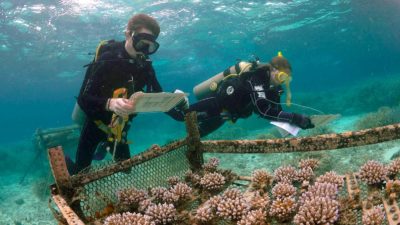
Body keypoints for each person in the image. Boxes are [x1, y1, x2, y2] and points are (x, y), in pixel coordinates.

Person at [67, 14, 186, 175]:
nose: (144, 52)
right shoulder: (107, 59)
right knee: (80, 173)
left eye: (150, 47)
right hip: (96, 124)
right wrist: (110, 103)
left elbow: (159, 98)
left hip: (120, 127)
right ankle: (72, 160)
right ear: (128, 34)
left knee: (126, 169)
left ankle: (105, 145)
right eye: (141, 44)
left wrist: (175, 100)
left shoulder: (145, 66)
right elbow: (84, 99)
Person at [186, 52, 315, 137]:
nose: (281, 82)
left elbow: (275, 113)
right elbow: (263, 111)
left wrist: (298, 124)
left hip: (226, 115)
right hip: (216, 102)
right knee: (183, 115)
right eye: (281, 76)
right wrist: (295, 117)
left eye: (285, 79)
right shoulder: (256, 77)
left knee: (197, 135)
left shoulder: (273, 88)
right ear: (273, 70)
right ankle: (168, 99)